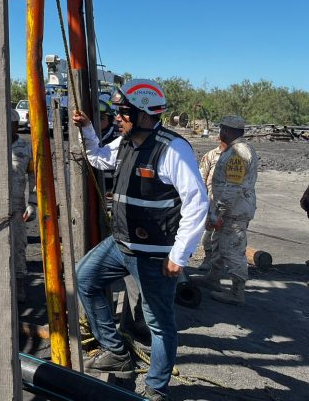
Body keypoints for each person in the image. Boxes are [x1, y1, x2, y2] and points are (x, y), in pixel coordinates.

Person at [72, 78, 208, 401]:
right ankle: (117, 353)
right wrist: (90, 130)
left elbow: (198, 202)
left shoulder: (172, 149)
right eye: (118, 112)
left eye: (124, 112)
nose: (117, 117)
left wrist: (179, 255)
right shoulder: (125, 143)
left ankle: (156, 388)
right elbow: (98, 158)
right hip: (122, 245)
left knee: (159, 324)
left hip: (155, 255)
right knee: (84, 277)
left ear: (145, 115)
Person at [194, 116, 258, 305]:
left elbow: (232, 187)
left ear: (228, 131)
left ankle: (237, 293)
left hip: (233, 211)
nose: (220, 132)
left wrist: (218, 212)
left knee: (233, 250)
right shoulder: (237, 150)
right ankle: (213, 278)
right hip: (231, 209)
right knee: (219, 245)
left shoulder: (238, 153)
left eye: (222, 129)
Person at [9, 109, 36, 303]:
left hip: (18, 206)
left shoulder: (25, 148)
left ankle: (18, 285)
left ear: (16, 125)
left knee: (18, 245)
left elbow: (34, 177)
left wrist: (32, 203)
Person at [196, 138, 227, 271]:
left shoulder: (239, 156)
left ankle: (220, 264)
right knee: (208, 234)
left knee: (227, 236)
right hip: (212, 204)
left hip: (232, 205)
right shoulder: (210, 156)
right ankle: (208, 258)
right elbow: (200, 180)